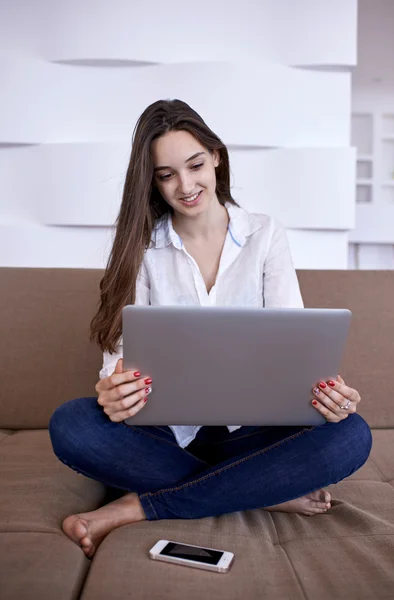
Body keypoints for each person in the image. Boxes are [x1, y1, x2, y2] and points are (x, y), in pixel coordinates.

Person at [49, 99, 372, 559]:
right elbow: (115, 363)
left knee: (352, 434)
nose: (185, 185)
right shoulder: (140, 246)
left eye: (195, 164)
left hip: (254, 431)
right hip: (165, 432)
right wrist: (112, 392)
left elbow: (295, 346)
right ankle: (262, 488)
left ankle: (137, 507)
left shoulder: (265, 235)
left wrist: (329, 394)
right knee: (73, 425)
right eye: (166, 175)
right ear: (152, 182)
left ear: (216, 156)